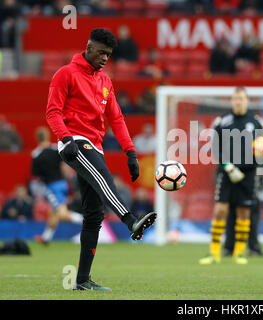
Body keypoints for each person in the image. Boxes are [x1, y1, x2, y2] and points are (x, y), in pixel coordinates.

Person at [45, 28, 157, 291]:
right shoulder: (65, 74)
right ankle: (131, 221)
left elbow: (116, 118)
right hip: (74, 141)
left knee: (94, 215)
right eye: (102, 52)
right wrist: (65, 137)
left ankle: (82, 280)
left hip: (94, 145)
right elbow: (52, 112)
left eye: (109, 54)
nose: (106, 58)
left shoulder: (105, 82)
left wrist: (130, 151)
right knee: (103, 177)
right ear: (89, 47)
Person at [199, 86, 263, 265]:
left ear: (247, 101)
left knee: (244, 212)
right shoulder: (222, 121)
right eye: (236, 99)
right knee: (220, 209)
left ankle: (239, 252)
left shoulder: (256, 122)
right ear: (232, 101)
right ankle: (214, 252)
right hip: (227, 172)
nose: (238, 102)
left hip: (248, 173)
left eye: (241, 99)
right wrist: (227, 165)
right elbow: (215, 147)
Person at [31, 126, 84, 245]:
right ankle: (46, 238)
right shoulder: (55, 149)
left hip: (51, 187)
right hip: (62, 184)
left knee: (61, 213)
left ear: (37, 138)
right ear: (47, 136)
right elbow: (66, 164)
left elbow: (36, 176)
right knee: (53, 212)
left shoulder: (36, 155)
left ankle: (89, 222)